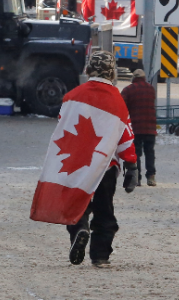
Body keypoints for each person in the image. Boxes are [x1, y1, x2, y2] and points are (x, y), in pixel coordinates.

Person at [63, 51, 138, 268]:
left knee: (77, 205)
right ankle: (100, 256)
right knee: (105, 212)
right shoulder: (116, 99)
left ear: (87, 70)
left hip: (77, 164)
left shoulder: (72, 96)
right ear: (112, 72)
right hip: (106, 165)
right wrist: (131, 165)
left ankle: (80, 229)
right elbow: (125, 134)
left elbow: (62, 129)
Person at [121, 69, 157, 186]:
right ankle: (151, 177)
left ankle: (137, 178)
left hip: (135, 127)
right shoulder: (151, 89)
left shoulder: (128, 90)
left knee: (136, 153)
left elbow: (121, 106)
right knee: (149, 152)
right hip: (150, 127)